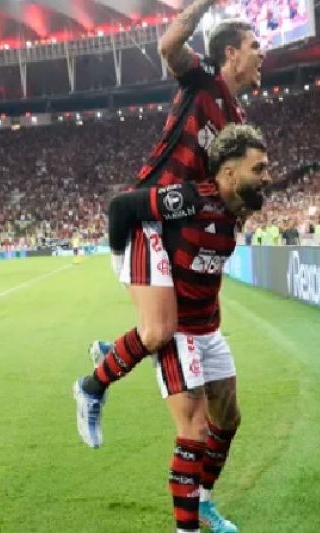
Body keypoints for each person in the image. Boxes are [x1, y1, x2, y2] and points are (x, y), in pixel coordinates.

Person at [73, 0, 265, 448]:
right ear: (230, 54)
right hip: (149, 220)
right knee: (160, 332)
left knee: (163, 335)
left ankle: (114, 355)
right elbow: (169, 45)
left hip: (180, 232)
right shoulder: (203, 81)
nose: (262, 55)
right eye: (255, 46)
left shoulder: (238, 123)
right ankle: (91, 386)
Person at [89, 125, 271, 533]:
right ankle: (185, 528)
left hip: (209, 329)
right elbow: (122, 206)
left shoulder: (236, 210)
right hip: (178, 332)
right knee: (195, 429)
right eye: (258, 168)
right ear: (227, 173)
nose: (266, 176)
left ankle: (204, 503)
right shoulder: (188, 201)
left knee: (229, 418)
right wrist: (121, 263)